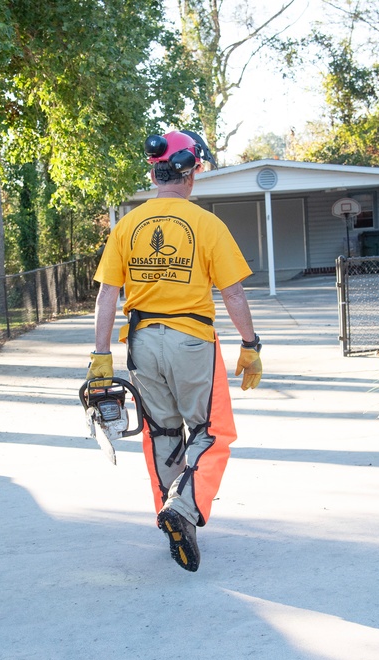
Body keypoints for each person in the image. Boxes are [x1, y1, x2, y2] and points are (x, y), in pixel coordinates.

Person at [88, 130, 263, 572]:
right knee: (212, 432)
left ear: (154, 170)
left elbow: (107, 294)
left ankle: (171, 510)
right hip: (192, 341)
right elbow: (234, 293)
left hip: (142, 342)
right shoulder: (207, 225)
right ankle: (183, 508)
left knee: (162, 433)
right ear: (192, 172)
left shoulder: (127, 224)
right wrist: (250, 344)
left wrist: (101, 355)